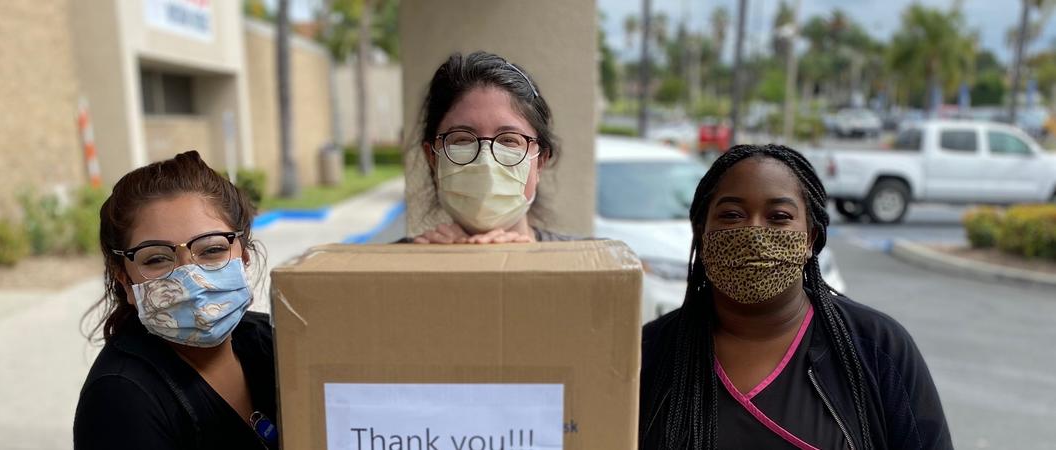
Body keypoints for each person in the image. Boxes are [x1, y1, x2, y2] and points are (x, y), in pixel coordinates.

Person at [639, 144, 951, 449]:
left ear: (810, 239)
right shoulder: (649, 352)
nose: (754, 234)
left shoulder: (877, 347)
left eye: (779, 216)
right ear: (701, 233)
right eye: (732, 215)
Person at [74, 151, 278, 449]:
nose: (190, 278)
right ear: (126, 280)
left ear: (243, 256)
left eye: (211, 250)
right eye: (156, 259)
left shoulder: (271, 343)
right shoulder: (121, 400)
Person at [404, 51, 576, 244]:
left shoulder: (588, 258)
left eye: (508, 140)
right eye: (463, 139)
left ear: (540, 161)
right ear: (432, 158)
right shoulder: (392, 260)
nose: (485, 162)